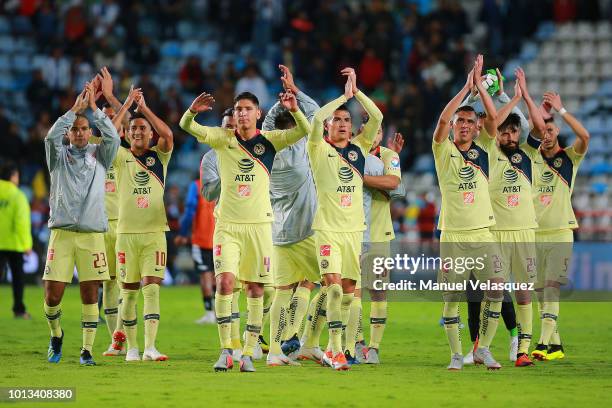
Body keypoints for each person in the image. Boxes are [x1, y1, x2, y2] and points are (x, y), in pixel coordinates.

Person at [180, 90, 310, 372]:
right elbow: (186, 126)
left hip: (260, 226)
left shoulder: (270, 141)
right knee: (225, 283)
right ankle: (227, 349)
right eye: (238, 109)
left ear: (258, 114)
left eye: (248, 109)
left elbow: (304, 130)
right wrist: (192, 111)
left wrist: (294, 108)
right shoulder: (222, 138)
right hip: (226, 225)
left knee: (255, 289)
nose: (242, 113)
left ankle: (249, 352)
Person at [459, 69, 546, 367]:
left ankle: (521, 350)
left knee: (523, 293)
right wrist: (501, 95)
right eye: (504, 132)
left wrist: (525, 95)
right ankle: (482, 346)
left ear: (518, 134)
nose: (508, 135)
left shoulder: (528, 155)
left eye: (513, 132)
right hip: (494, 233)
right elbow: (493, 121)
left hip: (524, 232)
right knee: (492, 290)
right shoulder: (487, 154)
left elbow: (539, 125)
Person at [307, 68, 383, 370]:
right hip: (327, 230)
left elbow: (376, 118)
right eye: (336, 119)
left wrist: (357, 93)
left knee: (349, 297)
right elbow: (313, 120)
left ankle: (316, 344)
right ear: (328, 127)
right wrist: (341, 97)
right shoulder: (318, 149)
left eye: (346, 120)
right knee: (335, 289)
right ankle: (336, 351)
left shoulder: (359, 149)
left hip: (354, 232)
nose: (341, 123)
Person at [432, 55, 504, 371]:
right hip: (453, 235)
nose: (462, 125)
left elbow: (493, 117)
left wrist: (482, 89)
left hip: (482, 233)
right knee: (452, 298)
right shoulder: (443, 149)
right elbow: (441, 123)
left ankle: (482, 349)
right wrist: (465, 88)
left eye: (468, 122)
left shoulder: (484, 149)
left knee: (497, 288)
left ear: (475, 129)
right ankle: (454, 355)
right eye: (459, 122)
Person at [43, 81, 120, 366]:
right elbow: (51, 138)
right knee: (53, 296)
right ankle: (56, 334)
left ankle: (87, 350)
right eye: (74, 129)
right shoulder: (57, 156)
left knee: (90, 294)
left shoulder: (100, 156)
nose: (78, 133)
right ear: (70, 132)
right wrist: (74, 110)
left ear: (90, 133)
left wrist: (93, 109)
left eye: (84, 128)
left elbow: (113, 137)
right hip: (61, 234)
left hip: (91, 236)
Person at [259, 65, 321, 367]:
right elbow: (315, 117)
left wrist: (278, 104)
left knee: (283, 291)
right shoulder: (302, 147)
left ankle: (273, 351)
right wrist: (293, 94)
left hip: (279, 232)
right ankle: (305, 339)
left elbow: (268, 126)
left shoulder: (264, 153)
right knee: (329, 284)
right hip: (306, 230)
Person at [111, 86, 174, 362]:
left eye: (142, 129)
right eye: (133, 129)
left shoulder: (159, 157)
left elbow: (169, 135)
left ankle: (150, 347)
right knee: (129, 292)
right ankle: (132, 349)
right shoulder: (120, 156)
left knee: (151, 287)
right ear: (127, 134)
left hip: (154, 233)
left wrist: (144, 108)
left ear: (150, 134)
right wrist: (126, 105)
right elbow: (109, 135)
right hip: (126, 234)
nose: (137, 132)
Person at [528, 89, 589, 362]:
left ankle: (541, 344)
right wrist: (542, 116)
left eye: (551, 130)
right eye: (544, 129)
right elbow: (529, 133)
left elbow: (585, 136)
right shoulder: (529, 158)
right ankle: (556, 346)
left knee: (551, 286)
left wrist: (561, 111)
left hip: (561, 232)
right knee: (541, 292)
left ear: (557, 133)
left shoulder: (568, 159)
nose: (547, 133)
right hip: (534, 232)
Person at [175, 108, 236, 324]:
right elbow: (191, 209)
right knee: (217, 275)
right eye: (228, 126)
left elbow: (191, 208)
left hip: (220, 235)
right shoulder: (206, 178)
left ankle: (213, 312)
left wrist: (183, 232)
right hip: (207, 236)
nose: (232, 130)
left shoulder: (195, 186)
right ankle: (218, 312)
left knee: (211, 275)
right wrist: (185, 232)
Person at [353, 129, 403, 365]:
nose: (374, 135)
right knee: (352, 291)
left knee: (378, 290)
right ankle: (357, 341)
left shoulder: (389, 155)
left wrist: (359, 178)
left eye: (378, 131)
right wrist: (379, 182)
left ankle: (374, 347)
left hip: (380, 233)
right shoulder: (350, 152)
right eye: (369, 130)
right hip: (352, 232)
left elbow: (394, 184)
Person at [0, 161, 32, 319]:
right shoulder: (17, 195)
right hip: (14, 244)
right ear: (13, 176)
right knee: (17, 280)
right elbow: (21, 223)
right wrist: (27, 245)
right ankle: (19, 310)